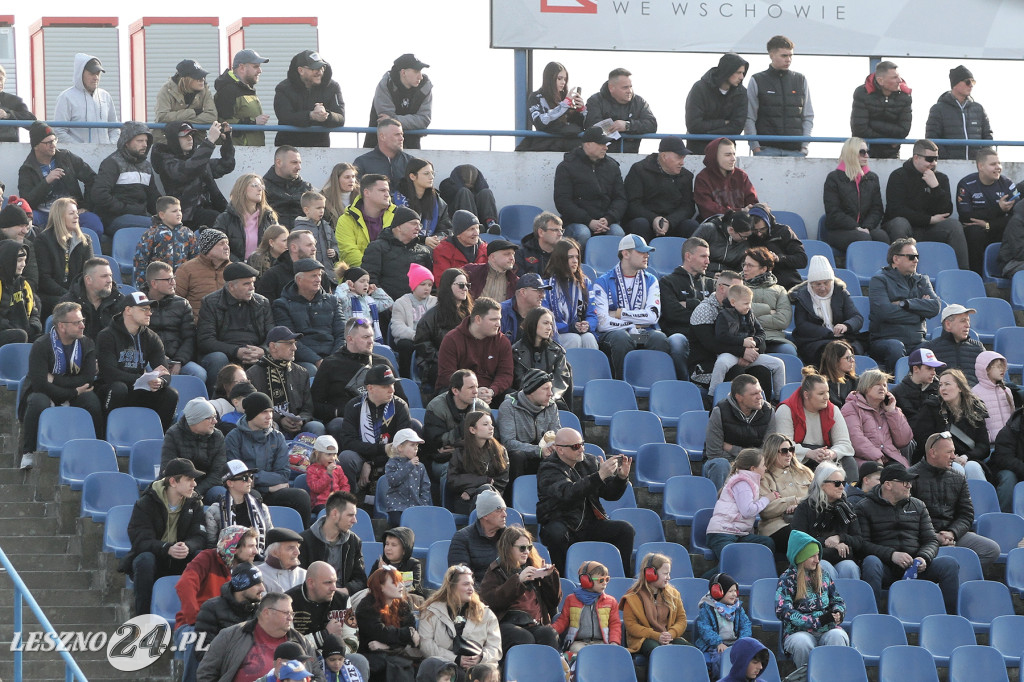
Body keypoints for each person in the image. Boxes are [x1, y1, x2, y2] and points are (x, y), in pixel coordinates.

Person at [853, 463, 960, 613]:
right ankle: (872, 616)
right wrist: (891, 555)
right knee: (871, 562)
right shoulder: (863, 507)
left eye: (910, 482)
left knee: (949, 564)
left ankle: (951, 617)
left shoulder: (918, 506)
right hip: (886, 568)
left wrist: (924, 557)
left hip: (915, 567)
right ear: (888, 485)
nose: (909, 486)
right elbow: (862, 545)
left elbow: (931, 540)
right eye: (905, 482)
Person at [536, 427, 634, 574]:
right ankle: (562, 578)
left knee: (625, 530)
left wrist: (621, 478)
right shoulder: (548, 469)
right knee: (555, 534)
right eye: (575, 446)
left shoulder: (590, 461)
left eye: (582, 444)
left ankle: (624, 577)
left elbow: (609, 494)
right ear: (560, 450)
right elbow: (568, 493)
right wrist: (599, 476)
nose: (581, 449)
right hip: (562, 521)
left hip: (590, 523)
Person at [18, 301, 101, 470]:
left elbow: (88, 379)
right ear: (62, 326)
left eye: (82, 320)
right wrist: (73, 391)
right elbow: (40, 384)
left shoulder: (87, 343)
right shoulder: (41, 345)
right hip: (44, 393)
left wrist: (56, 380)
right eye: (77, 323)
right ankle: (28, 452)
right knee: (37, 401)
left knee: (91, 400)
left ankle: (98, 446)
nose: (82, 326)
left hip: (70, 391)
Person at [123, 458, 206, 616]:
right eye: (189, 479)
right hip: (156, 559)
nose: (194, 484)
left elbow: (200, 536)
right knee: (144, 560)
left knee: (201, 556)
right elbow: (140, 541)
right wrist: (167, 548)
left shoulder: (195, 503)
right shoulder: (146, 503)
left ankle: (201, 617)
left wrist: (188, 546)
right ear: (173, 482)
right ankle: (143, 619)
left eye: (194, 480)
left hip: (182, 558)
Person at [910, 431, 1001, 571]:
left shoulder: (958, 477)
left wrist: (952, 533)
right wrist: (935, 536)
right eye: (949, 452)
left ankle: (958, 579)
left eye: (954, 452)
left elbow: (967, 514)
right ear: (933, 453)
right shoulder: (911, 477)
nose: (954, 457)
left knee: (991, 550)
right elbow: (908, 517)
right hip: (922, 538)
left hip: (952, 535)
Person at [594, 234, 678, 379]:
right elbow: (602, 323)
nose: (646, 256)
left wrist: (619, 313)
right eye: (641, 252)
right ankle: (619, 384)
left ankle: (652, 386)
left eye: (647, 252)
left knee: (658, 339)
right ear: (625, 253)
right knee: (622, 338)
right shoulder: (602, 282)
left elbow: (653, 316)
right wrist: (631, 324)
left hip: (640, 336)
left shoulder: (651, 280)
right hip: (615, 335)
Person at [195, 593, 325, 681]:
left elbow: (318, 677)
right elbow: (206, 673)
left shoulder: (302, 642)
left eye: (292, 613)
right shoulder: (230, 636)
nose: (291, 618)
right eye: (286, 613)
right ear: (266, 613)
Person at [96, 291, 178, 429]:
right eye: (144, 309)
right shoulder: (107, 336)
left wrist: (160, 381)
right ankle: (106, 435)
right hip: (111, 387)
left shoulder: (151, 337)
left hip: (139, 388)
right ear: (128, 310)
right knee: (119, 388)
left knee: (170, 394)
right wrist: (143, 378)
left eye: (150, 309)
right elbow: (110, 373)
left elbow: (164, 372)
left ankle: (159, 437)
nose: (149, 313)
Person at [225, 391, 312, 523]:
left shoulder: (277, 437)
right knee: (253, 496)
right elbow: (237, 475)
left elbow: (283, 474)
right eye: (264, 412)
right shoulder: (233, 437)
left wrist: (256, 478)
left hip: (270, 491)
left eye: (271, 411)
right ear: (252, 414)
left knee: (301, 497)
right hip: (246, 490)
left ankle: (303, 539)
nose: (269, 416)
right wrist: (268, 487)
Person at [884, 139, 969, 269]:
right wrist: (929, 220)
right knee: (899, 223)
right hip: (907, 227)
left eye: (936, 159)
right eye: (929, 159)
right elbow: (896, 210)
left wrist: (935, 187)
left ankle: (962, 274)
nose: (933, 163)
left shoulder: (940, 178)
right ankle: (902, 274)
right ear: (916, 158)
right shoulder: (898, 176)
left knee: (954, 226)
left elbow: (947, 210)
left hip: (929, 229)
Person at [479, 525, 560, 657]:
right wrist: (518, 581)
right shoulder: (496, 570)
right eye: (522, 548)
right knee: (523, 637)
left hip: (534, 622)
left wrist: (549, 578)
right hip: (507, 623)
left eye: (529, 547)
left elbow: (553, 602)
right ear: (508, 548)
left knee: (549, 634)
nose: (526, 552)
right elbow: (490, 601)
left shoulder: (534, 566)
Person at [311, 317, 403, 431]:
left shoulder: (383, 363)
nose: (371, 341)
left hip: (381, 420)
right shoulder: (330, 364)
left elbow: (402, 399)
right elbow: (314, 404)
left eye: (371, 336)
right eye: (365, 337)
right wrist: (338, 411)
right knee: (338, 425)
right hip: (346, 422)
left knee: (414, 425)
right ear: (350, 339)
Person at [775, 531, 849, 670]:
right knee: (802, 643)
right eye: (812, 556)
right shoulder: (787, 579)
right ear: (801, 557)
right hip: (798, 632)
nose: (817, 560)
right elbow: (783, 611)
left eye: (817, 555)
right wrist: (817, 621)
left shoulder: (825, 575)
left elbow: (837, 600)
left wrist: (839, 612)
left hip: (827, 629)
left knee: (838, 636)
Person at [337, 365, 413, 492]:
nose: (392, 390)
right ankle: (352, 498)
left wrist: (372, 463)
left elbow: (403, 446)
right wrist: (374, 454)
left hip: (390, 457)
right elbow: (348, 442)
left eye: (393, 385)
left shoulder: (400, 406)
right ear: (370, 388)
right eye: (385, 386)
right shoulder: (354, 406)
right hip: (363, 455)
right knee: (346, 457)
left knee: (406, 455)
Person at [417, 565, 503, 679]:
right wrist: (455, 659)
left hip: (476, 668)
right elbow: (426, 645)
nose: (471, 589)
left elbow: (495, 648)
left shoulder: (486, 614)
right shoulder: (431, 612)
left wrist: (480, 657)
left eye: (472, 584)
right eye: (466, 584)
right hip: (444, 667)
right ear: (451, 587)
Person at [197, 261, 273, 388]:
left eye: (253, 283)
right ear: (231, 286)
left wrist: (263, 350)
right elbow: (205, 340)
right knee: (218, 358)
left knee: (272, 358)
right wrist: (236, 351)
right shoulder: (210, 303)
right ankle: (218, 399)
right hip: (224, 353)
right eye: (246, 284)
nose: (252, 288)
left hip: (255, 353)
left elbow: (272, 336)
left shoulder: (262, 303)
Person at [868, 238, 940, 370]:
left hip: (917, 341)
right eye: (911, 257)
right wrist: (919, 314)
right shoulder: (879, 280)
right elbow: (885, 312)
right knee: (895, 347)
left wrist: (904, 304)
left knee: (933, 348)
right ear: (896, 259)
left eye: (917, 257)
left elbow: (935, 307)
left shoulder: (922, 280)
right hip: (886, 340)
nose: (916, 260)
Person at [772, 369, 858, 480]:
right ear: (806, 395)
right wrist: (809, 453)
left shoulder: (833, 410)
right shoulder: (786, 410)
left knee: (848, 461)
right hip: (799, 456)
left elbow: (844, 443)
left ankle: (851, 493)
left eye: (827, 392)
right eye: (821, 394)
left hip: (824, 454)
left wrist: (832, 453)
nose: (827, 397)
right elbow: (783, 446)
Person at [17, 122, 101, 233]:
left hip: (70, 212)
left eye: (54, 140)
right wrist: (46, 182)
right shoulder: (27, 169)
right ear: (36, 146)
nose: (53, 145)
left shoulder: (66, 157)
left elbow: (92, 179)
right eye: (48, 142)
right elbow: (27, 200)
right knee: (29, 222)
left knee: (94, 223)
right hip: (44, 215)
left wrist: (85, 206)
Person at [708, 283, 786, 400]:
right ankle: (712, 394)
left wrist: (754, 341)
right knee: (721, 363)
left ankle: (780, 398)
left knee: (779, 364)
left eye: (750, 303)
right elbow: (721, 336)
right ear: (733, 302)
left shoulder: (750, 315)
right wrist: (742, 342)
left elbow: (761, 333)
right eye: (745, 303)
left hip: (751, 354)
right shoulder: (723, 315)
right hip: (731, 353)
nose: (749, 306)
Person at [152, 120, 235, 230]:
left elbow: (226, 165)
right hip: (186, 216)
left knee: (236, 218)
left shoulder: (199, 160)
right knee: (219, 219)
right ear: (174, 139)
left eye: (191, 134)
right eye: (184, 135)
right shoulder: (166, 162)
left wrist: (227, 141)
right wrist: (209, 141)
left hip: (207, 211)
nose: (189, 138)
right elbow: (188, 170)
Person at [553, 126, 627, 248]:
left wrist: (608, 218)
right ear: (587, 144)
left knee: (617, 233)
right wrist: (588, 221)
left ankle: (613, 267)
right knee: (582, 233)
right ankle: (577, 266)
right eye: (601, 143)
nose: (606, 147)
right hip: (576, 222)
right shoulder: (566, 166)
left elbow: (620, 198)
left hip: (606, 221)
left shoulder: (612, 166)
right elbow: (562, 202)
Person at [245, 325, 323, 438]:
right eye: (289, 343)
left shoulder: (301, 372)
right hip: (270, 423)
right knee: (271, 427)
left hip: (298, 426)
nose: (295, 348)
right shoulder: (253, 374)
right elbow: (255, 408)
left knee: (316, 427)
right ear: (273, 347)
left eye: (295, 343)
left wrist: (301, 420)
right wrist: (280, 419)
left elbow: (308, 408)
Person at [436, 297, 513, 407]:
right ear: (478, 319)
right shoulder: (452, 339)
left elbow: (506, 374)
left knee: (513, 399)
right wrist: (473, 391)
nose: (498, 324)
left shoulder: (502, 341)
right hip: (460, 392)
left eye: (499, 319)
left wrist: (492, 391)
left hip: (490, 394)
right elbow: (446, 375)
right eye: (493, 320)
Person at [910, 369, 989, 478]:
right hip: (939, 460)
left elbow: (984, 446)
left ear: (960, 388)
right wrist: (950, 456)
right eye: (941, 385)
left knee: (973, 467)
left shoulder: (976, 408)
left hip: (967, 458)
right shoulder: (931, 407)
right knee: (956, 469)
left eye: (947, 384)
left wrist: (966, 457)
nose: (943, 388)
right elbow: (924, 440)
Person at [705, 448, 775, 570]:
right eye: (763, 465)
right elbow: (747, 511)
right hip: (723, 533)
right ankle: (705, 584)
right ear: (753, 468)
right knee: (733, 564)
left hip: (739, 534)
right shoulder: (743, 483)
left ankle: (756, 575)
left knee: (767, 544)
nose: (765, 468)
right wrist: (767, 499)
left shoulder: (750, 482)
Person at [423, 369, 490, 496]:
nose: (476, 391)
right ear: (455, 391)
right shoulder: (436, 407)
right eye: (470, 387)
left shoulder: (482, 408)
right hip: (443, 461)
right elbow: (436, 442)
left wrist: (458, 446)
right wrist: (465, 427)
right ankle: (448, 510)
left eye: (476, 386)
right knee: (450, 470)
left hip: (475, 457)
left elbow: (491, 438)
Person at [790, 462, 862, 580]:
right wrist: (827, 542)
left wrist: (840, 538)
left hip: (841, 558)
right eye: (837, 483)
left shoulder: (846, 508)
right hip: (815, 558)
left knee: (850, 567)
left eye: (843, 483)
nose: (842, 487)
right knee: (824, 567)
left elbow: (858, 541)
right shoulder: (805, 508)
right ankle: (825, 599)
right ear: (822, 484)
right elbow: (800, 541)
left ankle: (850, 599)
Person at [273, 259, 345, 374]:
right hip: (304, 359)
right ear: (299, 280)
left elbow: (342, 333)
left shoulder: (332, 301)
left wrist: (333, 359)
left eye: (319, 275)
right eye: (313, 276)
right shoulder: (282, 305)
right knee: (311, 371)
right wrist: (317, 360)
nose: (318, 280)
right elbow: (290, 339)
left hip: (332, 355)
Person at [745, 36, 813, 157]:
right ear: (772, 55)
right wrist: (755, 147)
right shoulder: (757, 80)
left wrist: (804, 146)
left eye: (791, 55)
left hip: (796, 151)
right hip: (766, 150)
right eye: (784, 56)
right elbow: (749, 117)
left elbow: (808, 115)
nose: (789, 59)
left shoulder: (800, 80)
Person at [704, 374, 775, 490]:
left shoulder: (769, 412)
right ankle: (720, 504)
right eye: (754, 394)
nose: (760, 397)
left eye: (760, 392)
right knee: (720, 464)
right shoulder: (719, 412)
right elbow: (714, 453)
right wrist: (741, 465)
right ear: (739, 397)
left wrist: (732, 448)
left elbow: (767, 451)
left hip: (756, 464)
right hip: (727, 462)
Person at [623, 137, 699, 242]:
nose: (682, 163)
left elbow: (687, 207)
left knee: (691, 226)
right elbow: (632, 204)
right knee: (640, 224)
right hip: (646, 222)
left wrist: (670, 222)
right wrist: (653, 219)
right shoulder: (639, 170)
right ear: (663, 156)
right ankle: (641, 257)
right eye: (679, 158)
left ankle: (687, 258)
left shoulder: (686, 176)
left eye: (683, 158)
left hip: (672, 223)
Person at [790, 258, 864, 366]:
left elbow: (856, 317)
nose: (822, 288)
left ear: (832, 281)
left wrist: (846, 326)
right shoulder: (802, 297)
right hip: (815, 340)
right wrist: (829, 333)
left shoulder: (841, 293)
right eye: (818, 284)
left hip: (843, 338)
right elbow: (802, 325)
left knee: (852, 350)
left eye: (826, 283)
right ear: (811, 284)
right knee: (830, 352)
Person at [90, 121, 159, 236]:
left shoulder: (146, 166)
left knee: (171, 224)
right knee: (160, 227)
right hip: (114, 218)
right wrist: (126, 208)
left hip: (141, 216)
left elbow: (153, 196)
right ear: (126, 142)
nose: (145, 145)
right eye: (139, 141)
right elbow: (99, 194)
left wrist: (166, 212)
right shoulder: (112, 163)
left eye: (146, 141)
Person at [821, 137, 888, 254]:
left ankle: (882, 271)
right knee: (862, 239)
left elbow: (877, 209)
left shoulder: (872, 178)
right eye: (862, 152)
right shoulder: (834, 178)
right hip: (839, 231)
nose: (866, 155)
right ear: (851, 154)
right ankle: (864, 271)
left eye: (867, 152)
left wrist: (866, 227)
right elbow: (833, 212)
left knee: (882, 237)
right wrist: (856, 227)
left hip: (865, 228)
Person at [355, 566, 422, 682]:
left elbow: (413, 639)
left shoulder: (403, 604)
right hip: (372, 658)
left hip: (396, 654)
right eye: (395, 582)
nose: (401, 586)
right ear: (380, 587)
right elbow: (380, 633)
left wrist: (388, 646)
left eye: (401, 581)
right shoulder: (367, 606)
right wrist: (408, 633)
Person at [956, 147, 1017, 272]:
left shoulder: (1007, 184)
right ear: (980, 166)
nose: (998, 167)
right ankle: (976, 277)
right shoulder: (966, 184)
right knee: (975, 232)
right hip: (976, 231)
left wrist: (989, 224)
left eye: (999, 163)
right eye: (993, 164)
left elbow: (1016, 217)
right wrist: (998, 209)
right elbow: (966, 216)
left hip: (1000, 228)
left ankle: (1008, 275)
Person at [144, 261, 204, 382]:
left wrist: (179, 361)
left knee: (199, 373)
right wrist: (159, 358)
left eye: (173, 278)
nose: (173, 283)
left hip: (177, 358)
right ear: (154, 283)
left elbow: (189, 337)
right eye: (168, 279)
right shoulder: (139, 304)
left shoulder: (182, 304)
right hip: (150, 359)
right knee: (151, 372)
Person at [299, 490, 366, 599]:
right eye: (350, 515)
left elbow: (361, 580)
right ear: (334, 513)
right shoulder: (304, 540)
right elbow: (299, 579)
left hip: (345, 598)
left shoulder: (354, 541)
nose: (355, 520)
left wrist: (345, 590)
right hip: (314, 599)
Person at [842, 369, 914, 469]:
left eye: (884, 385)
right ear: (866, 387)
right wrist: (877, 456)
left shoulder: (890, 409)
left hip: (891, 459)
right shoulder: (851, 407)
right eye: (877, 384)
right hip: (865, 460)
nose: (882, 388)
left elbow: (904, 440)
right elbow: (855, 438)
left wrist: (892, 412)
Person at [35, 197, 95, 316]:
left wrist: (78, 294)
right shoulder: (43, 240)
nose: (76, 216)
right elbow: (44, 278)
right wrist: (68, 295)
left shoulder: (85, 240)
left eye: (77, 213)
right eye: (71, 213)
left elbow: (89, 273)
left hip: (76, 294)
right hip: (51, 295)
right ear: (60, 216)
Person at [758, 433, 814, 559]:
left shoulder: (804, 472)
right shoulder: (764, 477)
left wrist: (800, 505)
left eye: (791, 450)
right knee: (799, 535)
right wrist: (793, 501)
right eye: (784, 451)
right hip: (777, 526)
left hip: (807, 520)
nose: (789, 454)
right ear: (772, 452)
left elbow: (818, 496)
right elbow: (765, 509)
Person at [620, 552, 688, 655]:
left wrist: (671, 634)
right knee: (658, 651)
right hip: (643, 639)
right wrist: (656, 636)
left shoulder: (674, 594)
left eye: (669, 573)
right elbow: (631, 626)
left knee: (690, 650)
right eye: (665, 574)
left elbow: (682, 619)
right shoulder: (632, 597)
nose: (669, 577)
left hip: (668, 637)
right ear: (650, 573)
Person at [162, 397, 226, 504]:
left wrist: (195, 492)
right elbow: (168, 469)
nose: (215, 421)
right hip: (180, 485)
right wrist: (186, 489)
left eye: (215, 417)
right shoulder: (173, 434)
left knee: (222, 494)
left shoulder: (217, 436)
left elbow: (217, 473)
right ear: (196, 420)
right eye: (210, 418)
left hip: (207, 487)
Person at [194, 562, 265, 659]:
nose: (263, 588)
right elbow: (202, 651)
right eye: (257, 584)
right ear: (241, 585)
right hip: (225, 671)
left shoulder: (261, 610)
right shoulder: (211, 608)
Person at [414, 268, 472, 388]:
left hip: (468, 362)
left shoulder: (471, 314)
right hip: (439, 365)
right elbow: (423, 344)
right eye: (461, 285)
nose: (465, 289)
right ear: (448, 286)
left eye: (467, 285)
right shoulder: (431, 317)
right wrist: (444, 357)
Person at [274, 50, 344, 148]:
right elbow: (285, 117)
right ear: (301, 70)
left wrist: (326, 115)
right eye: (314, 68)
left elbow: (341, 118)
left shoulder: (333, 87)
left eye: (322, 67)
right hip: (288, 147)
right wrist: (311, 115)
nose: (319, 72)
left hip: (320, 148)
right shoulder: (283, 88)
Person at [551, 560, 621, 657]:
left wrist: (614, 642)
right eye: (601, 580)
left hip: (602, 642)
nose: (604, 583)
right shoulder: (571, 599)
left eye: (607, 579)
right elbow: (563, 621)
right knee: (579, 654)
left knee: (607, 655)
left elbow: (615, 624)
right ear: (585, 580)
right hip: (579, 643)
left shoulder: (611, 601)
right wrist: (551, 631)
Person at [363, 207, 433, 303]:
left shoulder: (424, 252)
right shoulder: (377, 248)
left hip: (417, 308)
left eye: (419, 224)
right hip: (386, 308)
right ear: (399, 226)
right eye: (413, 223)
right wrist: (387, 304)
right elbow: (370, 280)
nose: (418, 228)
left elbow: (430, 283)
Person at [684, 53, 749, 156]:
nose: (742, 77)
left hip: (726, 152)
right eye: (738, 72)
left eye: (743, 73)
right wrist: (724, 122)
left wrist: (707, 131)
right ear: (727, 71)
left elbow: (737, 128)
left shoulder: (741, 93)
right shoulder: (700, 89)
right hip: (698, 151)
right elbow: (694, 125)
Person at [447, 411, 510, 515]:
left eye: (491, 424)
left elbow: (501, 481)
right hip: (466, 501)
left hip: (492, 501)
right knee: (486, 489)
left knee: (487, 490)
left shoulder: (500, 451)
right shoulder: (461, 451)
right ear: (472, 429)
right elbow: (453, 480)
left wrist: (472, 490)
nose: (491, 428)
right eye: (485, 424)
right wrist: (484, 480)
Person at [365, 54, 432, 150]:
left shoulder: (425, 87)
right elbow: (385, 122)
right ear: (403, 72)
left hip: (411, 144)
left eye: (421, 71)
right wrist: (411, 122)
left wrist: (394, 118)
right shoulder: (386, 84)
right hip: (378, 145)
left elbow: (424, 120)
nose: (420, 76)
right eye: (416, 71)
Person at [583, 67, 657, 154]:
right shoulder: (595, 101)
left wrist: (627, 125)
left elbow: (652, 124)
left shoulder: (639, 102)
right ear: (611, 88)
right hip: (602, 157)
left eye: (630, 87)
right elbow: (591, 126)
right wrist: (614, 127)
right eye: (625, 87)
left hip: (630, 156)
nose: (629, 91)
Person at [925, 65, 992, 161]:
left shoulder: (978, 108)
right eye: (968, 82)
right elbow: (932, 138)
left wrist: (983, 159)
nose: (971, 85)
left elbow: (987, 136)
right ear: (955, 84)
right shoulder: (938, 109)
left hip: (977, 165)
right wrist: (946, 158)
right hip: (949, 164)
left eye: (973, 82)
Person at [541, 238, 598, 350]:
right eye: (570, 257)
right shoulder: (546, 285)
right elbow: (544, 319)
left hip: (578, 332)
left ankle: (592, 367)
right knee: (574, 338)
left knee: (589, 338)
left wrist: (588, 325)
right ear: (560, 259)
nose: (575, 261)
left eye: (577, 257)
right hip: (556, 334)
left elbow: (593, 314)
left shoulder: (585, 283)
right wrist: (569, 328)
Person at [693, 573, 753, 679]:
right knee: (719, 658)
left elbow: (746, 625)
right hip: (714, 646)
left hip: (735, 644)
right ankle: (720, 679)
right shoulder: (707, 608)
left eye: (735, 591)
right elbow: (705, 628)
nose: (734, 594)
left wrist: (742, 641)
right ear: (717, 592)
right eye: (730, 591)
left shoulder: (738, 608)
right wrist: (718, 643)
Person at [204, 460, 272, 551]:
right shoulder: (215, 511)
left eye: (251, 476)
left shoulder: (261, 508)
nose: (250, 480)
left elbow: (270, 538)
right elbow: (211, 545)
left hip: (259, 559)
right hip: (227, 561)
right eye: (245, 478)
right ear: (230, 483)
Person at [131, 196, 199, 289]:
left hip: (182, 283)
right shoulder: (152, 234)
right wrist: (142, 286)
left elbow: (195, 258)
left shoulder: (188, 233)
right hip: (159, 283)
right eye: (174, 211)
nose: (179, 214)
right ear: (162, 215)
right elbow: (141, 260)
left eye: (180, 210)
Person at [518, 61, 586, 153]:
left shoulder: (565, 99)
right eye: (559, 78)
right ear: (549, 79)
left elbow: (581, 127)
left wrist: (581, 110)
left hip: (569, 146)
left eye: (565, 79)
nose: (563, 82)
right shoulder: (536, 97)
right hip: (546, 146)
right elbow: (540, 122)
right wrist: (564, 105)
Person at [850, 61, 912, 160]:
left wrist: (872, 124)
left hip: (892, 154)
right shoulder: (862, 93)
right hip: (863, 154)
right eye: (894, 77)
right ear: (880, 80)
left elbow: (903, 130)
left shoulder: (905, 96)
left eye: (898, 76)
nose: (900, 80)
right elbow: (859, 129)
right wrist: (888, 140)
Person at [52, 53, 119, 144]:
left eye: (98, 73)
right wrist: (81, 149)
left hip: (105, 155)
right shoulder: (66, 97)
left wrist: (110, 146)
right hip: (76, 156)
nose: (96, 77)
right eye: (92, 74)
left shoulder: (105, 96)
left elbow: (114, 129)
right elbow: (59, 131)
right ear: (80, 74)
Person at [510, 308, 571, 408]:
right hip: (525, 398)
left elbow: (560, 381)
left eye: (551, 324)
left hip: (550, 398)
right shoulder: (516, 351)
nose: (549, 327)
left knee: (560, 407)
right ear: (533, 323)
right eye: (545, 323)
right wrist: (535, 396)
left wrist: (549, 396)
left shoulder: (557, 351)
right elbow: (519, 379)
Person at [741, 246, 795, 355]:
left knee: (789, 352)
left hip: (773, 338)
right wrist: (768, 310)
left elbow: (783, 320)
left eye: (750, 265)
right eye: (744, 264)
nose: (745, 269)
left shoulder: (780, 290)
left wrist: (751, 316)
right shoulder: (737, 286)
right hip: (745, 338)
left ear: (764, 269)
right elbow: (736, 314)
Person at [214, 173, 280, 262]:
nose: (260, 189)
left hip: (264, 269)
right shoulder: (225, 218)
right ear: (242, 190)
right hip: (234, 270)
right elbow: (219, 247)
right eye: (254, 185)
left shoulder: (269, 217)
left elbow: (278, 246)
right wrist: (241, 266)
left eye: (261, 186)